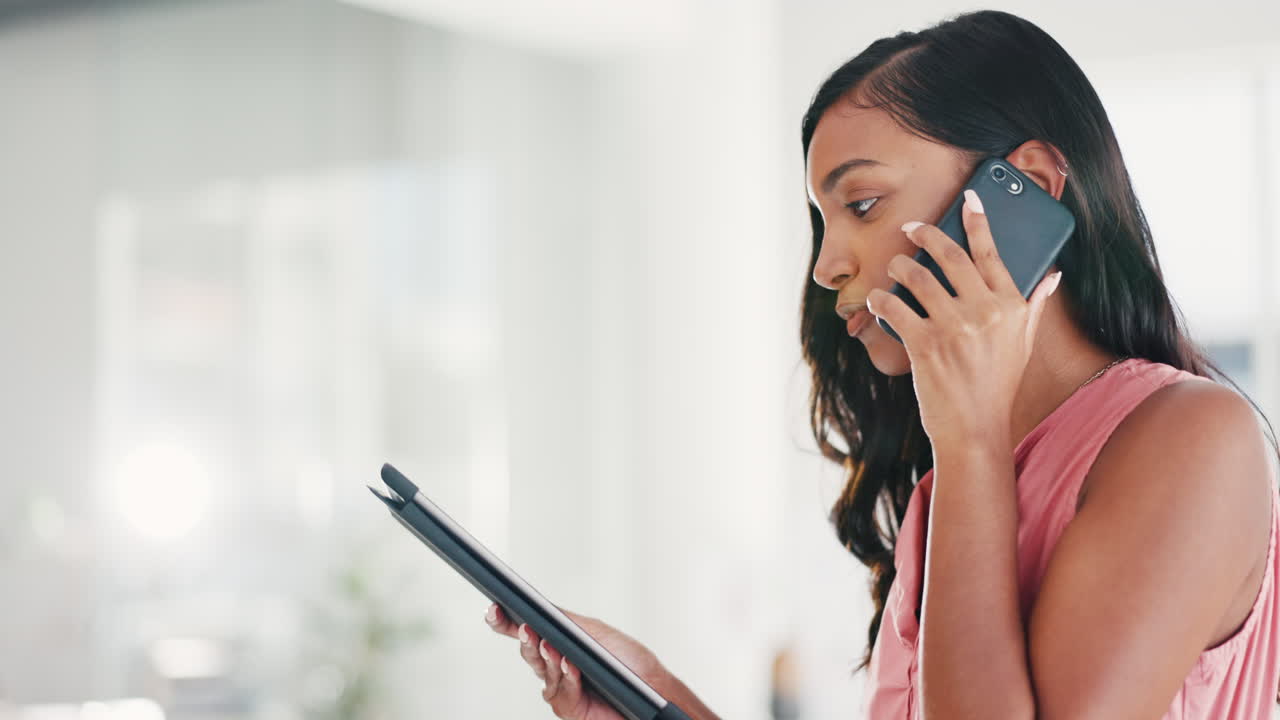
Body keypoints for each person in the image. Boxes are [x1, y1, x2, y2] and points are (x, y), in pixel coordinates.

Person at [485, 9, 1280, 719]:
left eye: (862, 204)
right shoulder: (951, 486)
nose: (827, 264)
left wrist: (969, 443)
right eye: (822, 221)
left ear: (1029, 188)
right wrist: (655, 692)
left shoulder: (1192, 440)